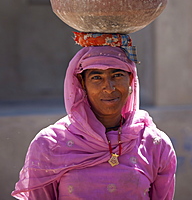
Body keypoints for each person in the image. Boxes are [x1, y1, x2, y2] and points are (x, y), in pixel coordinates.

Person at [12, 33, 177, 199]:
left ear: (131, 81)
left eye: (117, 75)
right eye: (97, 77)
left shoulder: (155, 145)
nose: (109, 87)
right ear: (83, 84)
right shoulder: (50, 144)